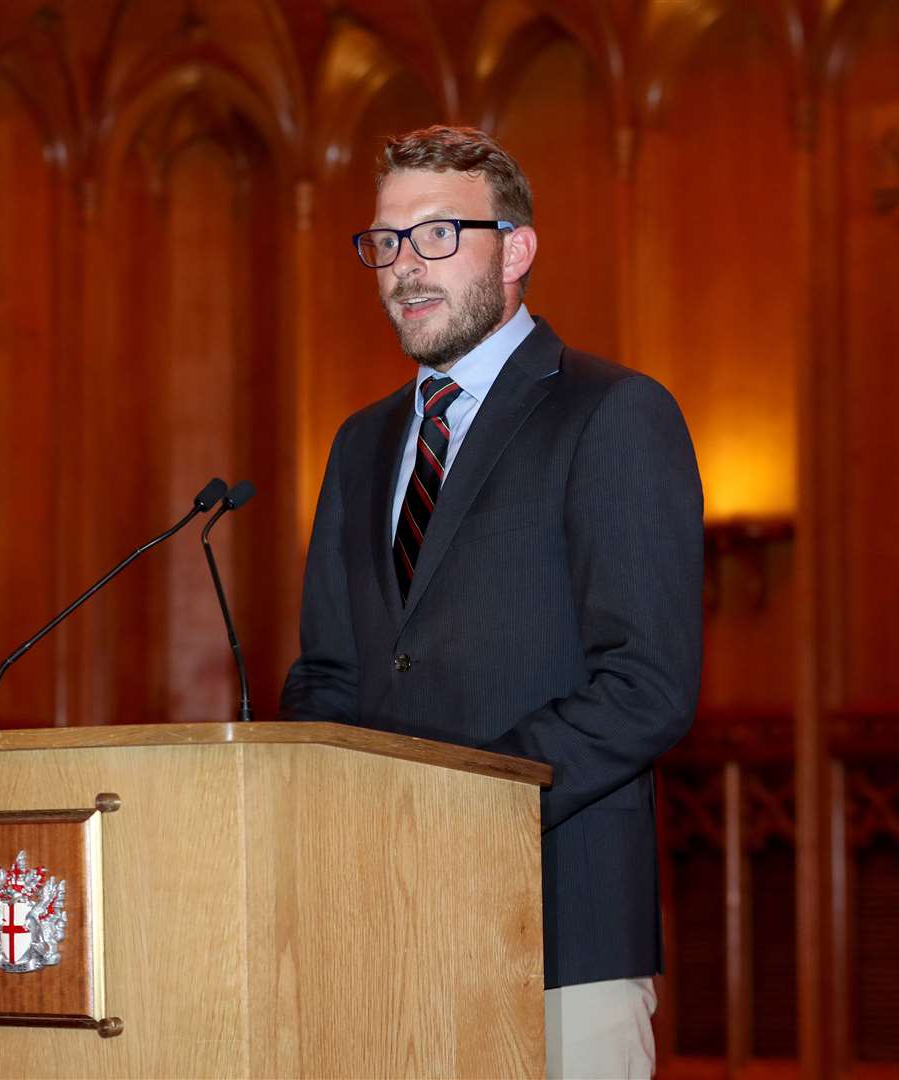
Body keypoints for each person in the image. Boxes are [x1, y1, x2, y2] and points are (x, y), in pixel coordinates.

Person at [280, 125, 703, 1079]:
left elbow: (646, 685)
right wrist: (310, 804)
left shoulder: (611, 412)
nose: (402, 267)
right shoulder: (360, 443)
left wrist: (453, 806)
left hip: (559, 934)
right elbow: (332, 672)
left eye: (436, 236)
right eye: (384, 242)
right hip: (384, 937)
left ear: (515, 249)